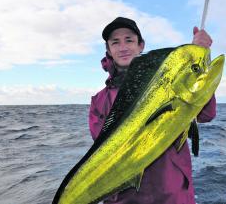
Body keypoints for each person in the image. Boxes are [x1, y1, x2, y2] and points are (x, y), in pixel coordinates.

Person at [89, 17, 216, 204]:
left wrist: (198, 56)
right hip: (123, 199)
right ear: (109, 51)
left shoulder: (169, 82)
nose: (123, 47)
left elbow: (206, 114)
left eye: (129, 40)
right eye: (115, 43)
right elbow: (105, 150)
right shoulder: (99, 100)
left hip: (172, 194)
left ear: (141, 46)